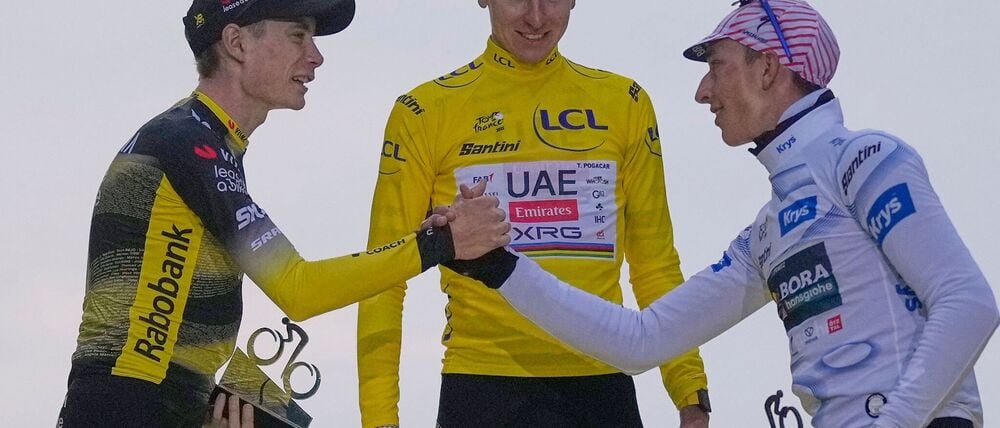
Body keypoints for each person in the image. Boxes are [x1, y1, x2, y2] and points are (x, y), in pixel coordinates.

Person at [454, 1, 1000, 427]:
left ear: (767, 69)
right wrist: (498, 266)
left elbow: (968, 301)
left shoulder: (866, 158)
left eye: (717, 67)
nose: (702, 91)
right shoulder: (768, 231)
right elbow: (640, 341)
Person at [57, 1, 511, 426]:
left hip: (151, 399)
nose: (316, 57)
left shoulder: (201, 139)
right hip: (129, 401)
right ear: (236, 44)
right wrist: (439, 244)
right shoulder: (186, 143)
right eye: (298, 37)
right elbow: (299, 289)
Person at [358, 1, 710, 426]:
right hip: (481, 385)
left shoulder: (624, 103)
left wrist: (690, 394)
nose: (536, 17)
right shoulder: (423, 111)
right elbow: (382, 279)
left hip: (602, 384)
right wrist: (380, 420)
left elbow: (655, 265)